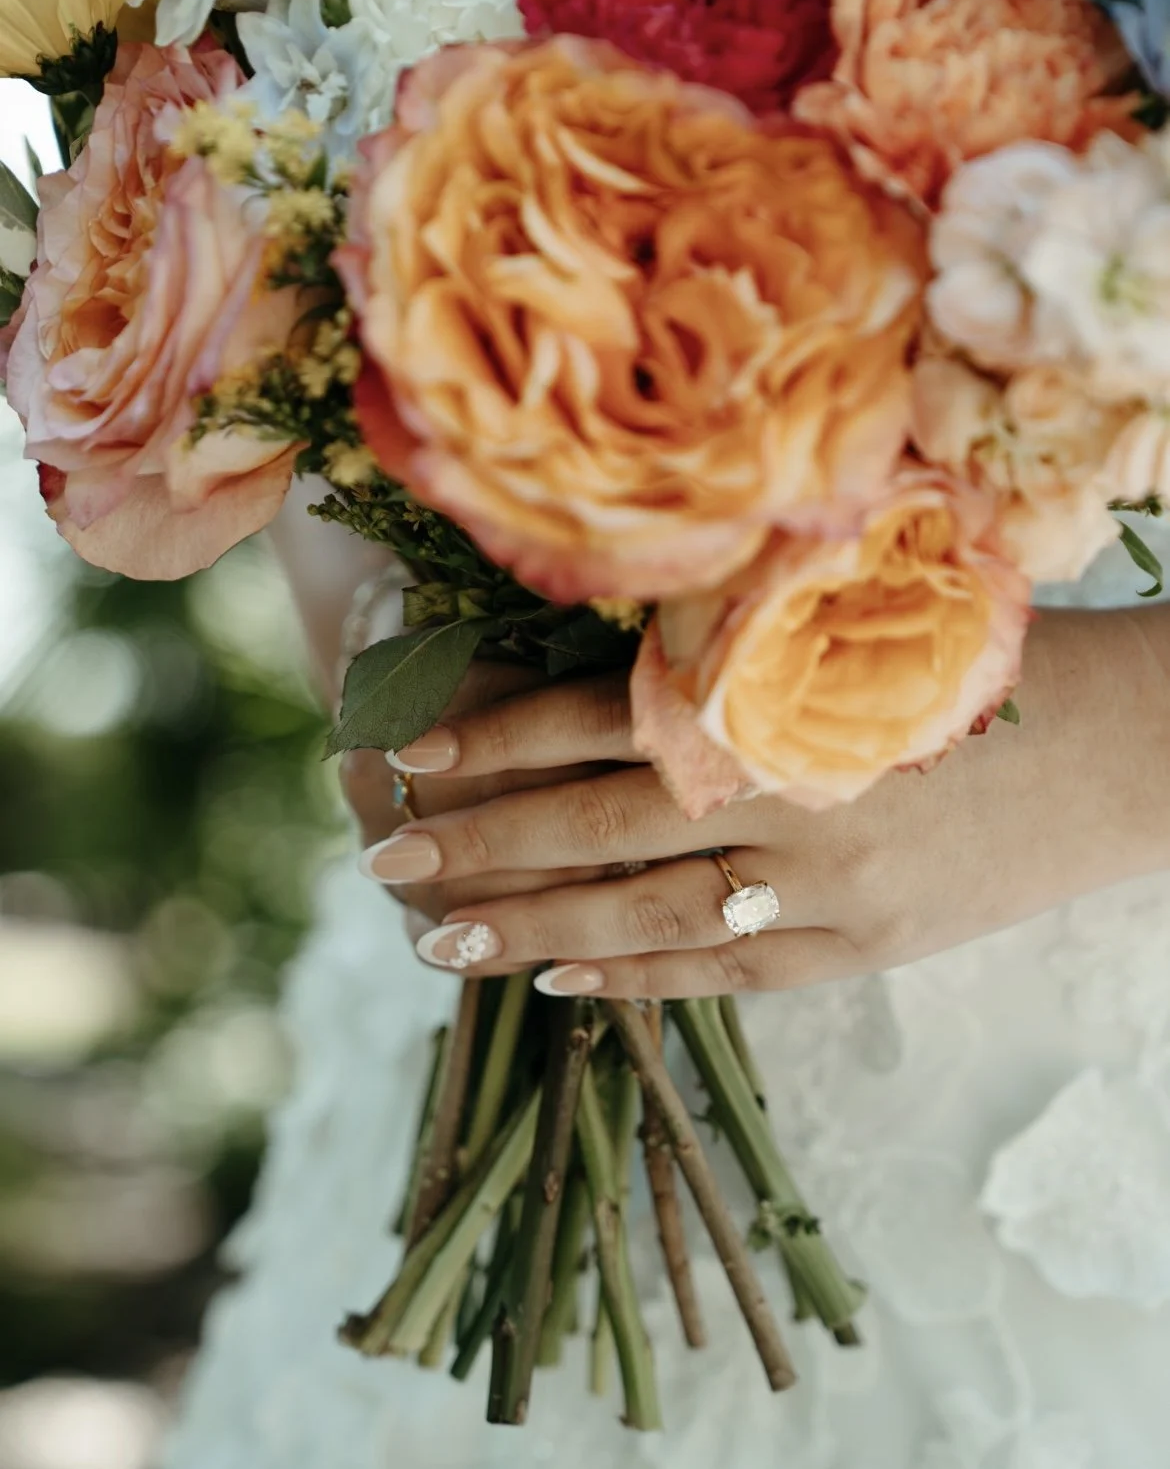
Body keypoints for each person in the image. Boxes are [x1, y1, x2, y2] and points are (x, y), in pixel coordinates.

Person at [165, 488, 1170, 1469]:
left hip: (1061, 1005)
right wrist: (403, 623)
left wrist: (1125, 742)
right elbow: (295, 413)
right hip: (468, 960)